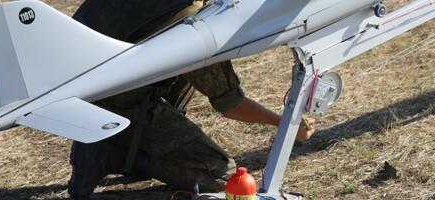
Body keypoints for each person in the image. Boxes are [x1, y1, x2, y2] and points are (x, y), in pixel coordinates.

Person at [67, 0, 316, 199]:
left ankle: (118, 141)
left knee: (184, 69)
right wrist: (285, 124)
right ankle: (115, 152)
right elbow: (231, 105)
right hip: (115, 104)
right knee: (220, 175)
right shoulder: (188, 20)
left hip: (82, 89)